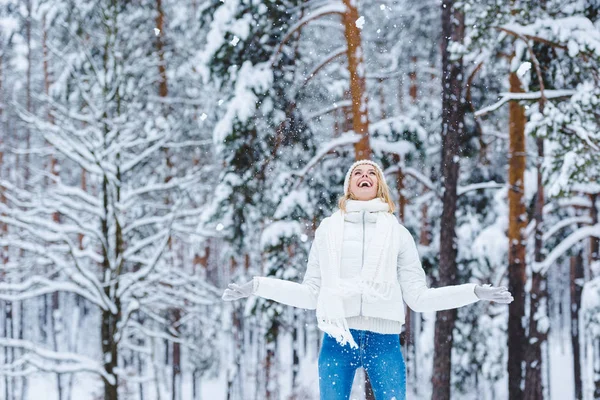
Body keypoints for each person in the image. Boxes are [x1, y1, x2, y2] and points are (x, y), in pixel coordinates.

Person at [222, 159, 513, 400]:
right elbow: (311, 293)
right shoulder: (327, 230)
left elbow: (419, 298)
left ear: (379, 185)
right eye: (357, 173)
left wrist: (473, 292)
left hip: (383, 340)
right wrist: (258, 286)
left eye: (371, 173)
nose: (364, 176)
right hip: (337, 337)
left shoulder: (398, 234)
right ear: (349, 185)